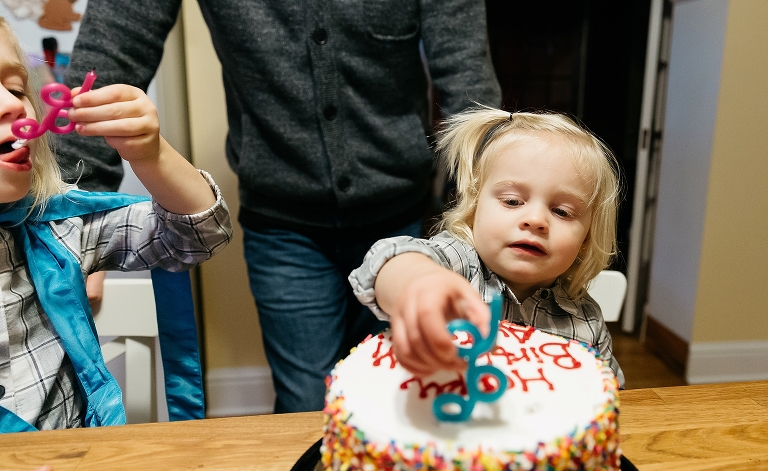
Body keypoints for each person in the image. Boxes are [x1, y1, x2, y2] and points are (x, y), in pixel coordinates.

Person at [55, 0, 501, 413]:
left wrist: (476, 215)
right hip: (284, 230)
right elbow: (110, 54)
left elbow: (468, 83)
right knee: (308, 404)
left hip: (407, 219)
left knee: (407, 391)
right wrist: (71, 221)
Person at [0, 17, 232, 432]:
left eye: (17, 89)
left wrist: (151, 155)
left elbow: (198, 235)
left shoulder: (57, 229)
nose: (13, 105)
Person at [349, 107, 626, 387]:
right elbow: (384, 261)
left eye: (562, 212)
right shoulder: (458, 264)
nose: (535, 220)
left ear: (586, 239)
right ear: (474, 207)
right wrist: (419, 280)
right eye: (512, 201)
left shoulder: (587, 321)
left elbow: (609, 398)